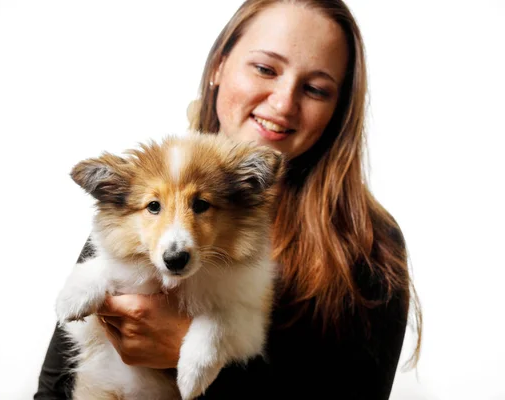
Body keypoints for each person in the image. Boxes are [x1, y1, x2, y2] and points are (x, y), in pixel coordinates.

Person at [34, 0, 422, 399]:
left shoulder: (369, 241)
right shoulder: (144, 206)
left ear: (338, 108)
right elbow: (55, 385)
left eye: (316, 89)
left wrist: (191, 355)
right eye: (265, 68)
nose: (284, 103)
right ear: (219, 64)